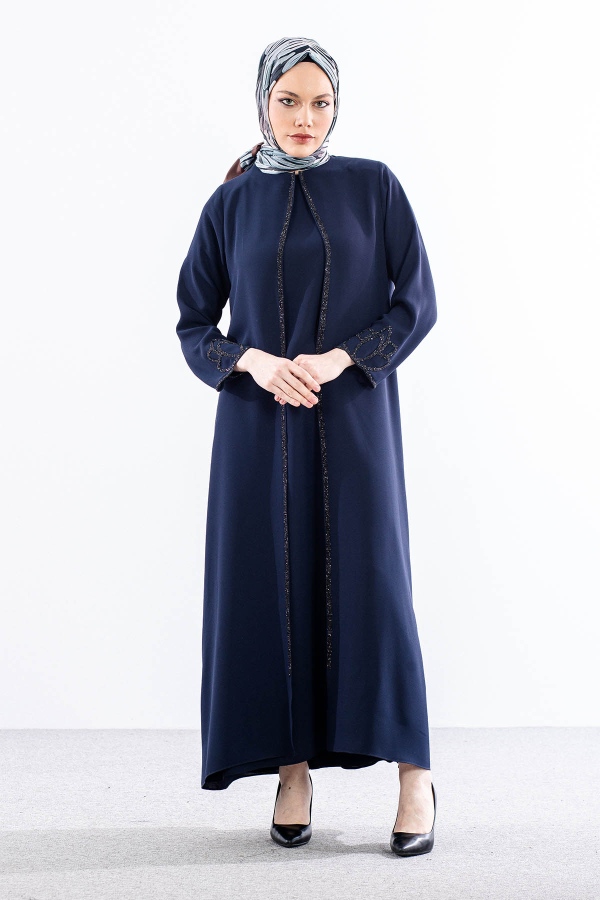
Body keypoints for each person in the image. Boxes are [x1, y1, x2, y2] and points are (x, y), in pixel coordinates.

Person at [175, 36, 438, 856]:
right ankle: (292, 772)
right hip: (259, 429)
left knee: (377, 590)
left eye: (320, 102)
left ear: (337, 107)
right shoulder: (229, 204)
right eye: (288, 100)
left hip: (354, 420)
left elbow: (416, 304)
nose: (304, 117)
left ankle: (415, 777)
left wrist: (342, 357)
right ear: (263, 101)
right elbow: (193, 324)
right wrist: (252, 361)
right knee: (274, 587)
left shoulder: (374, 186)